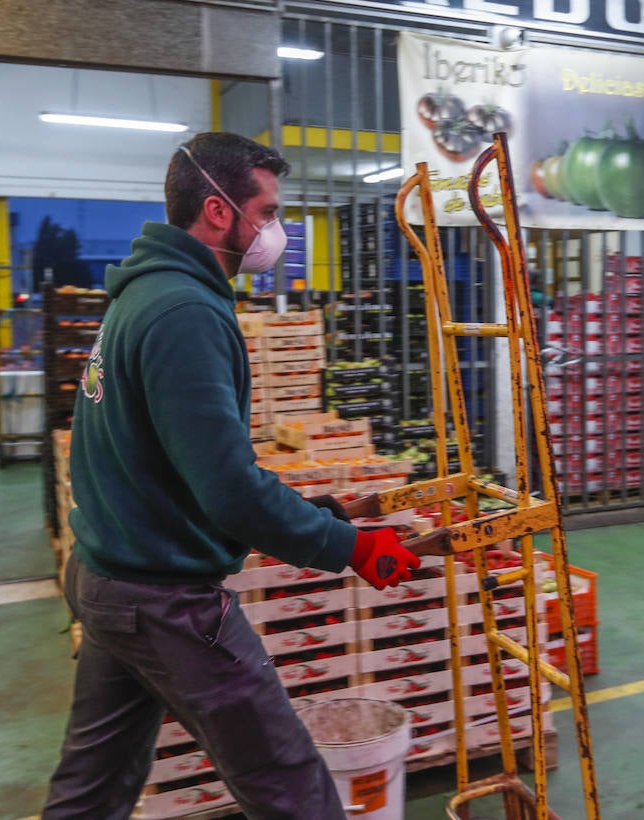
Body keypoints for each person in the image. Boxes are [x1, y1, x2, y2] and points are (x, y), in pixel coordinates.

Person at [42, 132, 421, 820]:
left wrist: (323, 512)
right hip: (168, 602)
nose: (275, 231)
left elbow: (166, 461)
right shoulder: (185, 312)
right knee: (290, 785)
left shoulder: (143, 295)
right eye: (268, 212)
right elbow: (228, 488)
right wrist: (353, 548)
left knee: (91, 792)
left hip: (109, 581)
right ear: (218, 212)